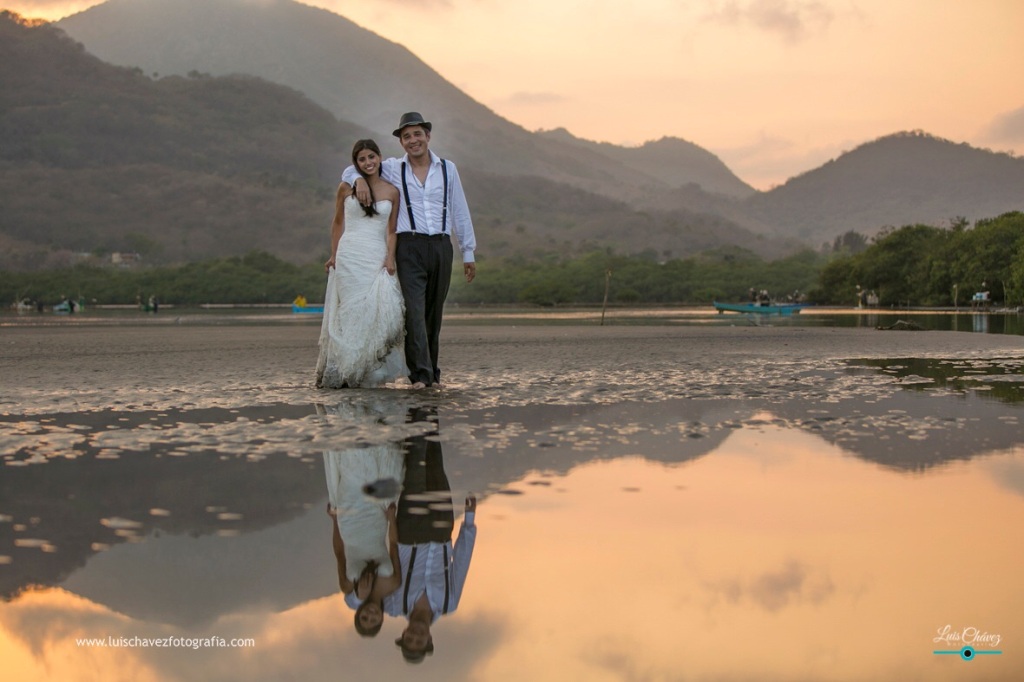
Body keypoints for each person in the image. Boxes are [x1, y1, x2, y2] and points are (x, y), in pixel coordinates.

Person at [345, 112, 477, 389]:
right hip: (409, 246)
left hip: (441, 246)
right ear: (401, 142)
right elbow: (357, 167)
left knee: (433, 314)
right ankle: (420, 376)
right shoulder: (393, 168)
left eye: (417, 134)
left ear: (428, 136)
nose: (413, 140)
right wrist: (357, 180)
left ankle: (432, 374)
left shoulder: (448, 169)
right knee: (414, 312)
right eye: (407, 137)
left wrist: (468, 252)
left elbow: (459, 210)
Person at [382, 407, 478, 663]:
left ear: (403, 633)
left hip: (410, 531)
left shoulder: (394, 605)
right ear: (429, 640)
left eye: (409, 638)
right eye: (419, 641)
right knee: (435, 459)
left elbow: (388, 562)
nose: (415, 635)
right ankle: (429, 403)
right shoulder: (449, 603)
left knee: (414, 465)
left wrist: (389, 522)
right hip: (440, 529)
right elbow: (461, 563)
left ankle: (417, 408)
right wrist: (469, 520)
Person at [317, 139, 408, 388]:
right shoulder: (345, 188)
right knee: (351, 312)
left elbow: (392, 231)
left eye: (371, 157)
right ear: (355, 163)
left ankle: (370, 370)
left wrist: (390, 257)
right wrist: (334, 254)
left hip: (376, 255)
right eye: (361, 159)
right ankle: (348, 369)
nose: (368, 163)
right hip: (350, 256)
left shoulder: (392, 191)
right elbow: (337, 223)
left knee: (381, 311)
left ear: (379, 158)